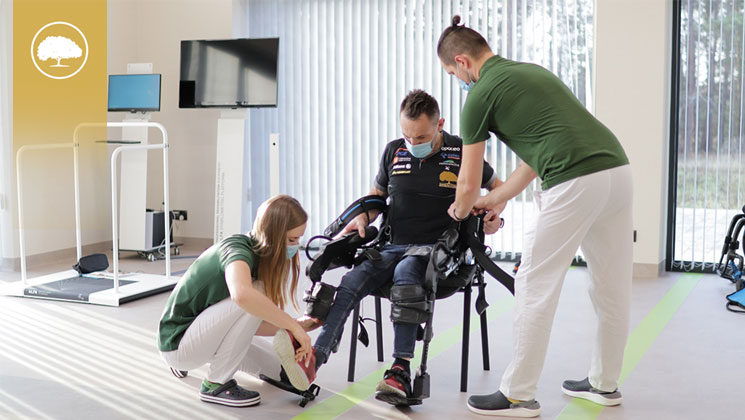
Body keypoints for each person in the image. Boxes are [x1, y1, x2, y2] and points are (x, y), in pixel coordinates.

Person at [437, 15, 633, 417]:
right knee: (611, 286)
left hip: (573, 180)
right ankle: (604, 383)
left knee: (533, 283)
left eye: (453, 74)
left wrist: (458, 211)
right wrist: (499, 198)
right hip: (616, 170)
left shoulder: (479, 96)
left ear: (462, 62)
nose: (458, 81)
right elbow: (535, 156)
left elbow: (467, 183)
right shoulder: (530, 73)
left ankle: (517, 394)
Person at [302, 89, 504, 406]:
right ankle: (315, 356)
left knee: (407, 273)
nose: (413, 142)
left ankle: (400, 369)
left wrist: (494, 216)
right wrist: (361, 218)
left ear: (440, 125)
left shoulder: (463, 152)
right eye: (407, 135)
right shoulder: (393, 151)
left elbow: (498, 188)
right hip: (392, 244)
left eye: (421, 136)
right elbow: (376, 197)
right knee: (352, 280)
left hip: (440, 250)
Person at [157, 195, 319, 407]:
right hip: (178, 341)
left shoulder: (261, 256)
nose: (296, 247)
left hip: (202, 334)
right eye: (291, 240)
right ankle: (215, 384)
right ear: (273, 234)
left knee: (280, 371)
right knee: (255, 294)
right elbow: (242, 296)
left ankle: (192, 361)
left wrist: (301, 326)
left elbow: (251, 323)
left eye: (298, 240)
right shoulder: (237, 249)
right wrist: (292, 326)